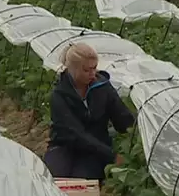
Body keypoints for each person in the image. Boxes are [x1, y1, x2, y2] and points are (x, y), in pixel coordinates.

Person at [44, 43, 134, 181]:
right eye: (86, 70)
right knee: (54, 180)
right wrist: (112, 156)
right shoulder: (60, 95)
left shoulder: (102, 88)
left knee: (82, 183)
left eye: (94, 68)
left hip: (96, 149)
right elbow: (74, 133)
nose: (92, 74)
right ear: (72, 70)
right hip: (64, 145)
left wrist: (135, 135)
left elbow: (122, 118)